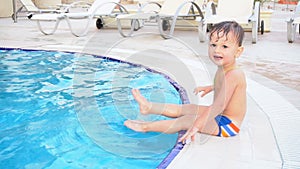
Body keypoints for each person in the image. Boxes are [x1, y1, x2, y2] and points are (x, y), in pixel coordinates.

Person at [124, 21, 247, 143]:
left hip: (228, 124)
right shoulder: (224, 68)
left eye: (224, 46)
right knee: (188, 108)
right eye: (213, 45)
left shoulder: (235, 74)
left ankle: (146, 127)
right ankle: (149, 107)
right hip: (221, 116)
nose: (217, 50)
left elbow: (218, 106)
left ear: (238, 51)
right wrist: (211, 87)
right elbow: (226, 87)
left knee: (187, 120)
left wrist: (196, 126)